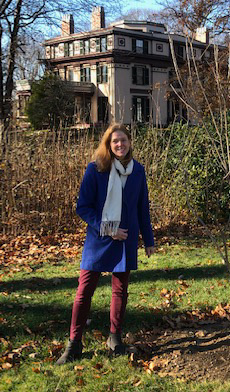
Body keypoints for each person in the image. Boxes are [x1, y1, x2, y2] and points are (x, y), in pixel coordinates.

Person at [56, 123, 155, 364]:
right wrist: (108, 229)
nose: (120, 144)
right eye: (115, 141)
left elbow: (143, 208)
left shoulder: (138, 171)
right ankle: (74, 343)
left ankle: (114, 338)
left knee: (120, 290)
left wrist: (148, 240)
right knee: (84, 291)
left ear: (130, 142)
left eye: (123, 140)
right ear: (108, 145)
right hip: (99, 239)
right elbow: (83, 207)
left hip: (126, 239)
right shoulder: (95, 169)